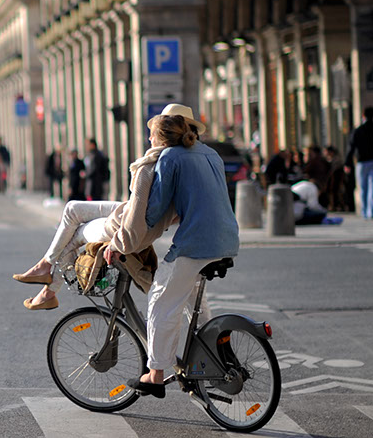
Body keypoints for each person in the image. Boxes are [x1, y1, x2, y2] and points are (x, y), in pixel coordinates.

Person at [13, 106, 210, 316]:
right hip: (130, 213)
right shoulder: (187, 159)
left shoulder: (158, 162)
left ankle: (48, 287)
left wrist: (118, 244)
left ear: (165, 132)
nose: (149, 138)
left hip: (126, 223)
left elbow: (143, 215)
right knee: (71, 209)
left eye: (153, 133)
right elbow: (172, 208)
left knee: (76, 234)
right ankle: (46, 273)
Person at [115, 104, 239, 398]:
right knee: (196, 301)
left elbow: (154, 210)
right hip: (227, 239)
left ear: (164, 132)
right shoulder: (211, 153)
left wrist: (125, 232)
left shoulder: (170, 157)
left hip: (196, 243)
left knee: (160, 301)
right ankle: (215, 358)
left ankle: (155, 374)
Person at [345, 106, 373, 219]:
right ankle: (372, 211)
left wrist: (347, 162)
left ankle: (364, 211)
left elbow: (351, 147)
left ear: (363, 115)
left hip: (361, 161)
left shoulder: (358, 130)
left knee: (363, 187)